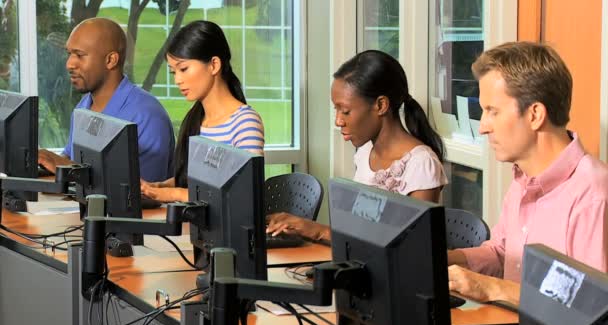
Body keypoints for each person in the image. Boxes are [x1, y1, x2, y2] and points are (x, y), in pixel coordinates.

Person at [447, 42, 608, 306]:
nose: (483, 126)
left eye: (492, 111)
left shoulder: (593, 195)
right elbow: (504, 256)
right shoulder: (522, 181)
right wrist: (449, 260)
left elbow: (590, 304)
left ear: (534, 114)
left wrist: (494, 289)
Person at [266, 50, 447, 241]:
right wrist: (307, 229)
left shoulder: (422, 164)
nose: (338, 121)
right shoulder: (365, 152)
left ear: (380, 105)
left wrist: (320, 231)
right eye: (336, 110)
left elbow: (414, 246)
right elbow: (361, 234)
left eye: (345, 111)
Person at [140, 20, 264, 202]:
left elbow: (244, 195)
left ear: (214, 65)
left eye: (183, 69)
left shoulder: (245, 123)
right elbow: (203, 183)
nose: (178, 80)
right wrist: (159, 186)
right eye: (174, 72)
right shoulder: (196, 119)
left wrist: (173, 194)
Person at [38, 18, 175, 182]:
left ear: (111, 60)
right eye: (69, 54)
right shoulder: (83, 107)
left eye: (80, 55)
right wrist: (48, 161)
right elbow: (69, 157)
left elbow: (147, 194)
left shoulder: (147, 116)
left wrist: (68, 169)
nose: (69, 64)